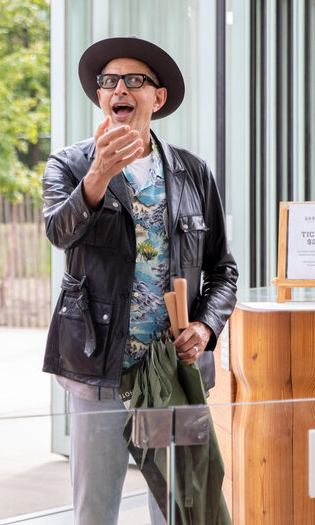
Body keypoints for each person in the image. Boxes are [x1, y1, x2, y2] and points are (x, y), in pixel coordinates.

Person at [41, 36, 238, 524]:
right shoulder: (69, 164)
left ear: (159, 97)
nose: (119, 89)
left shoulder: (193, 172)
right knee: (96, 508)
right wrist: (99, 176)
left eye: (134, 80)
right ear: (101, 98)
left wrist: (207, 328)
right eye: (109, 82)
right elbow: (58, 233)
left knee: (179, 506)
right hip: (98, 368)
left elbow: (222, 269)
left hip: (172, 367)